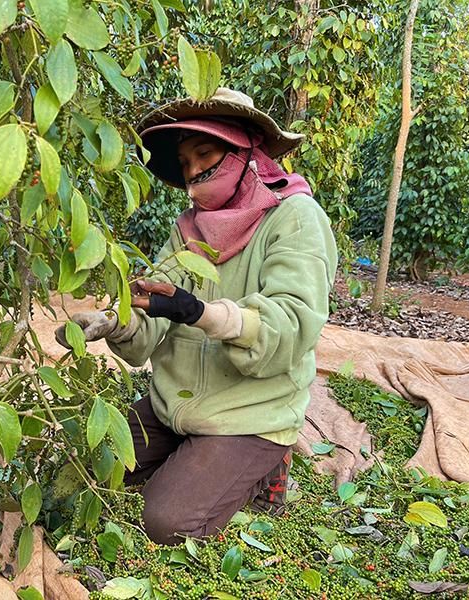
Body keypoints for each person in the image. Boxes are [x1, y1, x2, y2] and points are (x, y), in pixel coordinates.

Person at [56, 87, 338, 545]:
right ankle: (197, 458)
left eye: (203, 153)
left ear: (245, 149)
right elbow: (155, 311)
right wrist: (116, 320)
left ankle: (265, 462)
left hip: (250, 412)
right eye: (185, 163)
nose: (192, 172)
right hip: (175, 405)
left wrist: (201, 313)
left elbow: (292, 325)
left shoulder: (296, 218)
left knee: (168, 522)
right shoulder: (187, 230)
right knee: (92, 470)